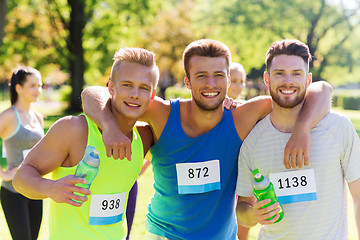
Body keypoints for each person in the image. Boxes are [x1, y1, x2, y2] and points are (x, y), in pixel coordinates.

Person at [81, 39, 332, 239]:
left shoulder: (242, 117)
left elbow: (321, 89)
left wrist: (302, 128)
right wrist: (109, 126)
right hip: (163, 235)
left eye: (218, 75)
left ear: (228, 79)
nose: (211, 84)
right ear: (187, 81)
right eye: (201, 75)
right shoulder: (162, 113)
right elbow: (94, 92)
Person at [13, 47, 159, 240]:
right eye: (127, 85)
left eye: (144, 88)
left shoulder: (145, 136)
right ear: (111, 88)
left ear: (152, 95)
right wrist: (50, 188)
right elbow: (21, 178)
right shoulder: (74, 130)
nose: (135, 94)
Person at [235, 39, 360, 240]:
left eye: (296, 74)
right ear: (267, 79)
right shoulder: (252, 141)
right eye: (279, 73)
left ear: (308, 80)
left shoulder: (338, 127)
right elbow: (242, 208)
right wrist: (253, 214)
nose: (288, 81)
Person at [0, 66, 44, 240]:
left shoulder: (38, 117)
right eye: (32, 85)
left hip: (35, 189)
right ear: (18, 88)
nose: (38, 90)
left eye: (40, 85)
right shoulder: (8, 116)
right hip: (13, 192)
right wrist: (4, 173)